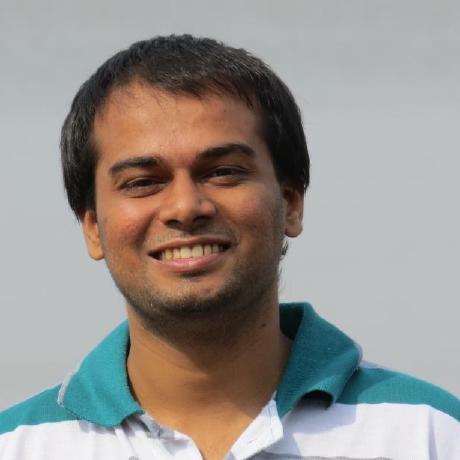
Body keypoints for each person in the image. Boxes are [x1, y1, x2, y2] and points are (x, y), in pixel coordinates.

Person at [0, 34, 458, 460]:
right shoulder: (20, 446)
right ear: (92, 227)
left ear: (291, 202)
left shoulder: (430, 434)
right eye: (143, 182)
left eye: (222, 172)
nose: (185, 207)